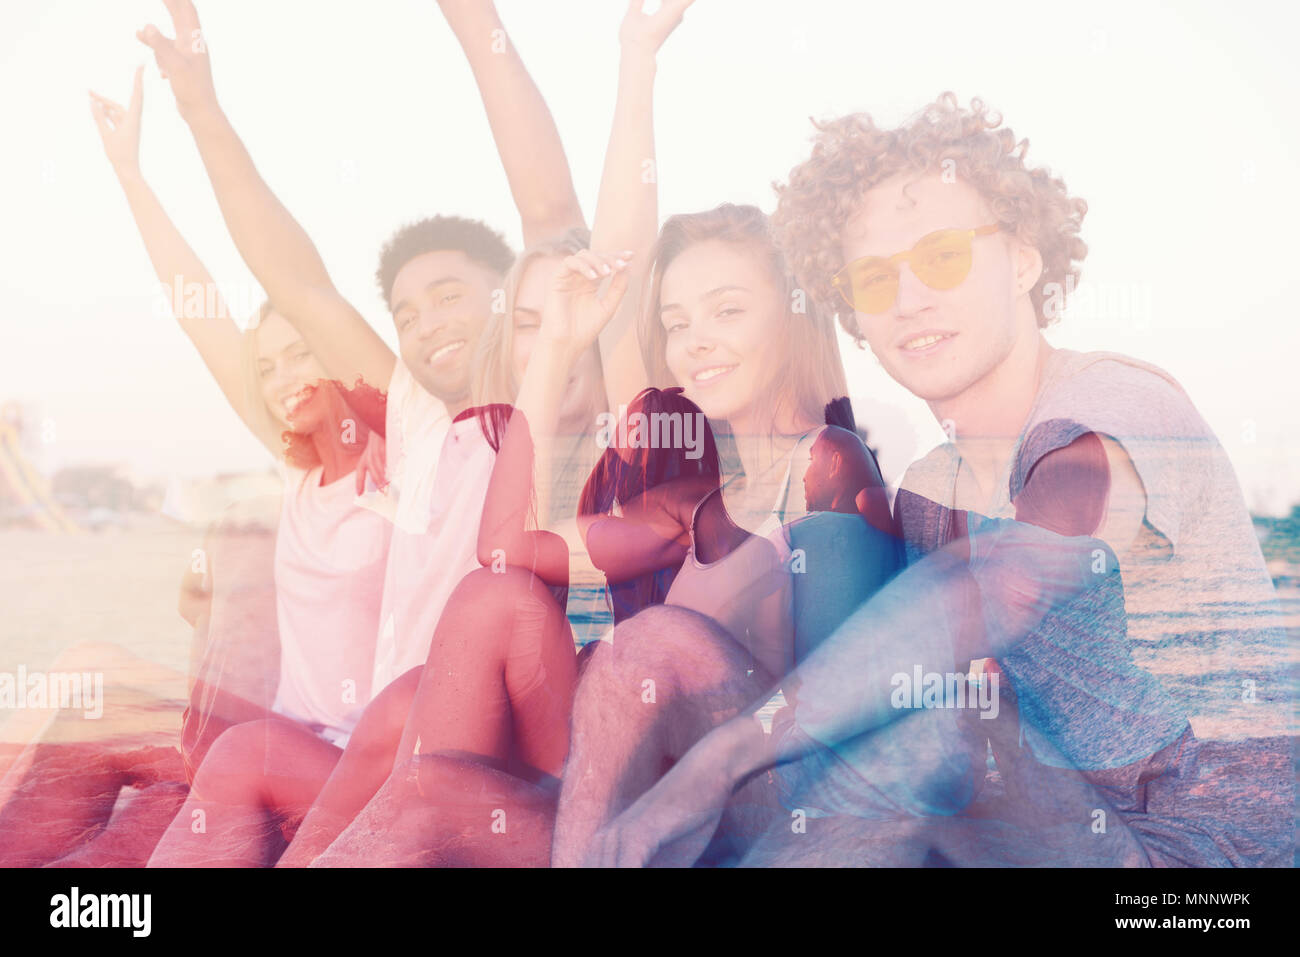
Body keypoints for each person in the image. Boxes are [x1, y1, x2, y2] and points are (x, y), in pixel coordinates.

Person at [579, 93, 1292, 867]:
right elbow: (876, 690)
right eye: (875, 278)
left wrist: (719, 760)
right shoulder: (930, 488)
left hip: (1200, 874)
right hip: (1011, 837)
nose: (910, 296)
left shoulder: (1111, 408)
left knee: (946, 734)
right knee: (650, 651)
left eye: (944, 256)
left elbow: (1000, 585)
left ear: (1022, 258)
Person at [135, 0, 585, 866]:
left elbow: (553, 212)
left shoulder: (554, 400)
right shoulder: (421, 426)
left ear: (516, 295)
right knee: (246, 753)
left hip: (484, 764)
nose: (427, 323)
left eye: (452, 293)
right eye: (407, 312)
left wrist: (475, 27)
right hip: (380, 745)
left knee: (406, 706)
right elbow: (295, 280)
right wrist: (200, 109)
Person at [0, 68, 391, 868]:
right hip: (265, 736)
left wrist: (200, 111)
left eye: (301, 352)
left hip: (340, 771)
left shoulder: (407, 466)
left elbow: (301, 283)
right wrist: (131, 174)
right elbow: (196, 306)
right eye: (269, 364)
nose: (285, 376)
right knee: (92, 678)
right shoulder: (298, 471)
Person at [549, 1, 898, 866]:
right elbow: (512, 555)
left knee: (656, 640)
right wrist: (635, 63)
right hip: (662, 809)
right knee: (435, 789)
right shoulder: (703, 505)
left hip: (788, 818)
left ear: (792, 315)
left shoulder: (830, 464)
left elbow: (840, 724)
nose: (694, 338)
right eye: (676, 322)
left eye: (728, 310)